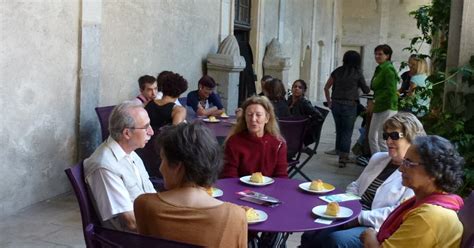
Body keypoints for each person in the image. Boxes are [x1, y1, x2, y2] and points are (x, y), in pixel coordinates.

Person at [301, 112, 424, 248]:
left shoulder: (414, 173)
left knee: (336, 240)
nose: (388, 141)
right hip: (350, 214)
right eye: (386, 136)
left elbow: (396, 212)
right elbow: (355, 185)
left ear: (411, 138)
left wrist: (359, 217)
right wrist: (347, 206)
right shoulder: (378, 158)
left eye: (394, 136)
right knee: (311, 232)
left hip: (375, 225)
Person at [134, 122, 247, 247]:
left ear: (177, 166)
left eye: (163, 160)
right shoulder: (236, 216)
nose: (160, 168)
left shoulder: (144, 205)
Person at [360, 135, 464, 248]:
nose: (401, 169)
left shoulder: (428, 217)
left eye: (409, 163)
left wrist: (369, 236)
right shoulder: (426, 201)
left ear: (434, 172)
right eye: (404, 161)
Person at [84, 101, 156, 232]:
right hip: (134, 238)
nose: (151, 132)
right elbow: (130, 222)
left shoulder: (131, 153)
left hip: (150, 223)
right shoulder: (105, 166)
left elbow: (150, 194)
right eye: (146, 127)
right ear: (127, 133)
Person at [221, 96, 288, 178]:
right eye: (249, 115)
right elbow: (229, 177)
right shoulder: (234, 142)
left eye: (258, 115)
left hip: (270, 189)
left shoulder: (278, 144)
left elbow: (281, 177)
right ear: (244, 118)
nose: (253, 119)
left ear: (267, 118)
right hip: (238, 189)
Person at [324, 50, 370, 167]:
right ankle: (343, 158)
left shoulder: (337, 71)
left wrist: (329, 102)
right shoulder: (358, 73)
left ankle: (338, 150)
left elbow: (326, 87)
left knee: (339, 129)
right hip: (350, 105)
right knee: (347, 132)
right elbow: (366, 90)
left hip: (336, 104)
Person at [140, 72, 188, 177]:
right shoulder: (178, 110)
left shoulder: (149, 104)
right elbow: (175, 136)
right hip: (161, 155)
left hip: (143, 150)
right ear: (180, 93)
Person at [368, 44, 399, 154]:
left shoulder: (388, 70)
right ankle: (376, 161)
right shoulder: (380, 69)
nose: (377, 56)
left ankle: (387, 163)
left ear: (387, 56)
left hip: (388, 106)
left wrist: (375, 101)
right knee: (372, 136)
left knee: (382, 138)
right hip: (379, 106)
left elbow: (391, 91)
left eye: (380, 54)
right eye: (375, 54)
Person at [288, 79, 324, 146]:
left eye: (300, 87)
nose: (296, 89)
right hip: (289, 127)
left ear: (303, 91)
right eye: (295, 86)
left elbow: (319, 116)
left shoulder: (304, 103)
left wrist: (307, 126)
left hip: (297, 131)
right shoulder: (289, 100)